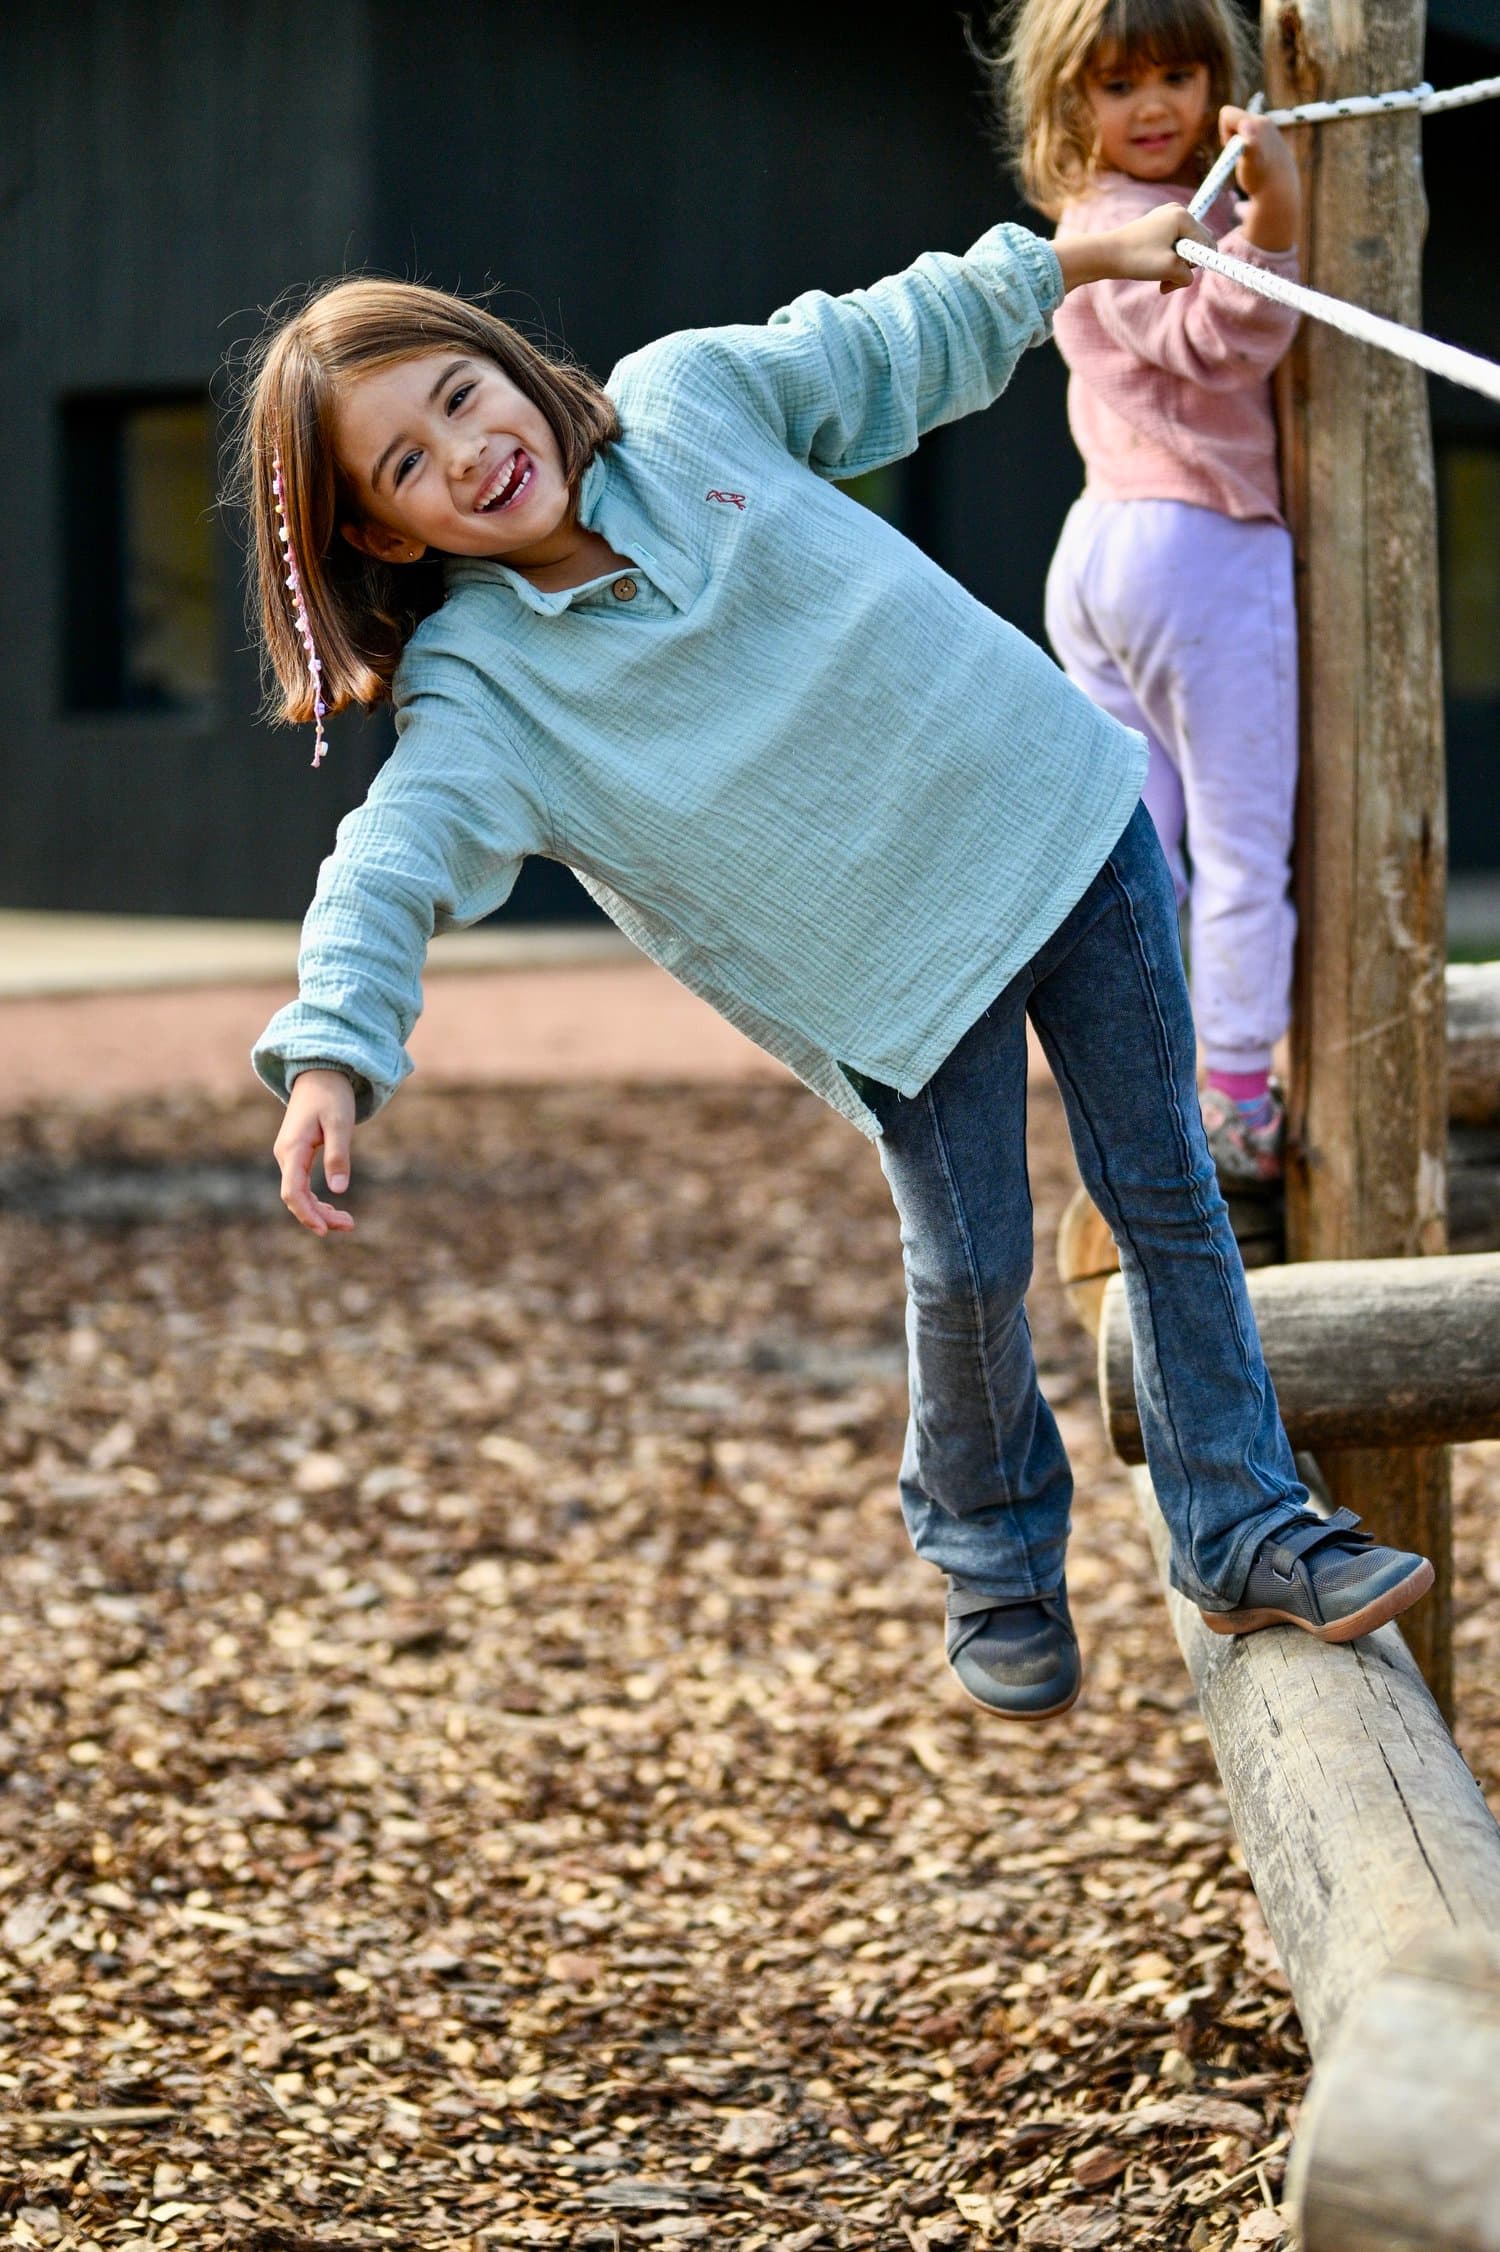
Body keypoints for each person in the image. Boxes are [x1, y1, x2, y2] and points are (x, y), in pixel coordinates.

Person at [237, 217, 1431, 1726]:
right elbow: (393, 857)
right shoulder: (483, 686)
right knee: (974, 1264)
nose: (464, 452)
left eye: (459, 396)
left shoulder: (690, 405)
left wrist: (1079, 258)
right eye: (403, 465)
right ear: (387, 540)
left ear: (508, 367)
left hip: (1065, 822)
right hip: (893, 978)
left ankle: (1244, 1526)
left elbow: (886, 335)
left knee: (1170, 1198)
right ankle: (995, 1556)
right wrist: (335, 1046)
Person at [992, 0, 1302, 1186]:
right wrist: (1274, 212)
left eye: (1179, 74)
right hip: (1199, 550)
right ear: (1071, 107)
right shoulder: (1134, 230)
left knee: (1146, 856)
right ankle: (1234, 1095)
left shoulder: (1080, 228)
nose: (1159, 105)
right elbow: (1226, 337)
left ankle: (1144, 1082)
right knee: (1238, 843)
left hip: (1102, 551)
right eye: (1124, 87)